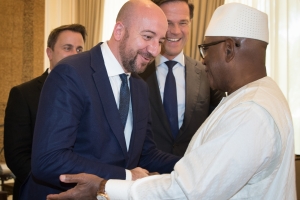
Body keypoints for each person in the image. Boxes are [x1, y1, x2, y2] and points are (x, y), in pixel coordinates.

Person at [47, 3, 297, 200]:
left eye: (205, 49)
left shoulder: (250, 111)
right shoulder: (258, 97)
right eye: (148, 36)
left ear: (229, 49)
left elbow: (189, 190)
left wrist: (104, 187)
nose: (204, 60)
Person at [19, 0, 180, 199]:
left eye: (161, 41)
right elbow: (49, 160)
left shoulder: (140, 86)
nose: (155, 50)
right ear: (119, 31)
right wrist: (126, 176)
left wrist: (191, 165)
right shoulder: (71, 73)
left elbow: (145, 153)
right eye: (148, 37)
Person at [4, 23, 87, 200]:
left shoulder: (91, 94)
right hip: (38, 191)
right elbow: (16, 155)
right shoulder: (23, 94)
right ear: (50, 53)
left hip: (83, 191)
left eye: (79, 49)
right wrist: (55, 185)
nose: (75, 55)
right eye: (67, 48)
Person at [139, 0, 225, 156]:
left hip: (193, 174)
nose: (176, 31)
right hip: (145, 173)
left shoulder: (207, 74)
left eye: (183, 23)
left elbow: (219, 128)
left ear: (190, 24)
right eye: (168, 23)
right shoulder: (136, 73)